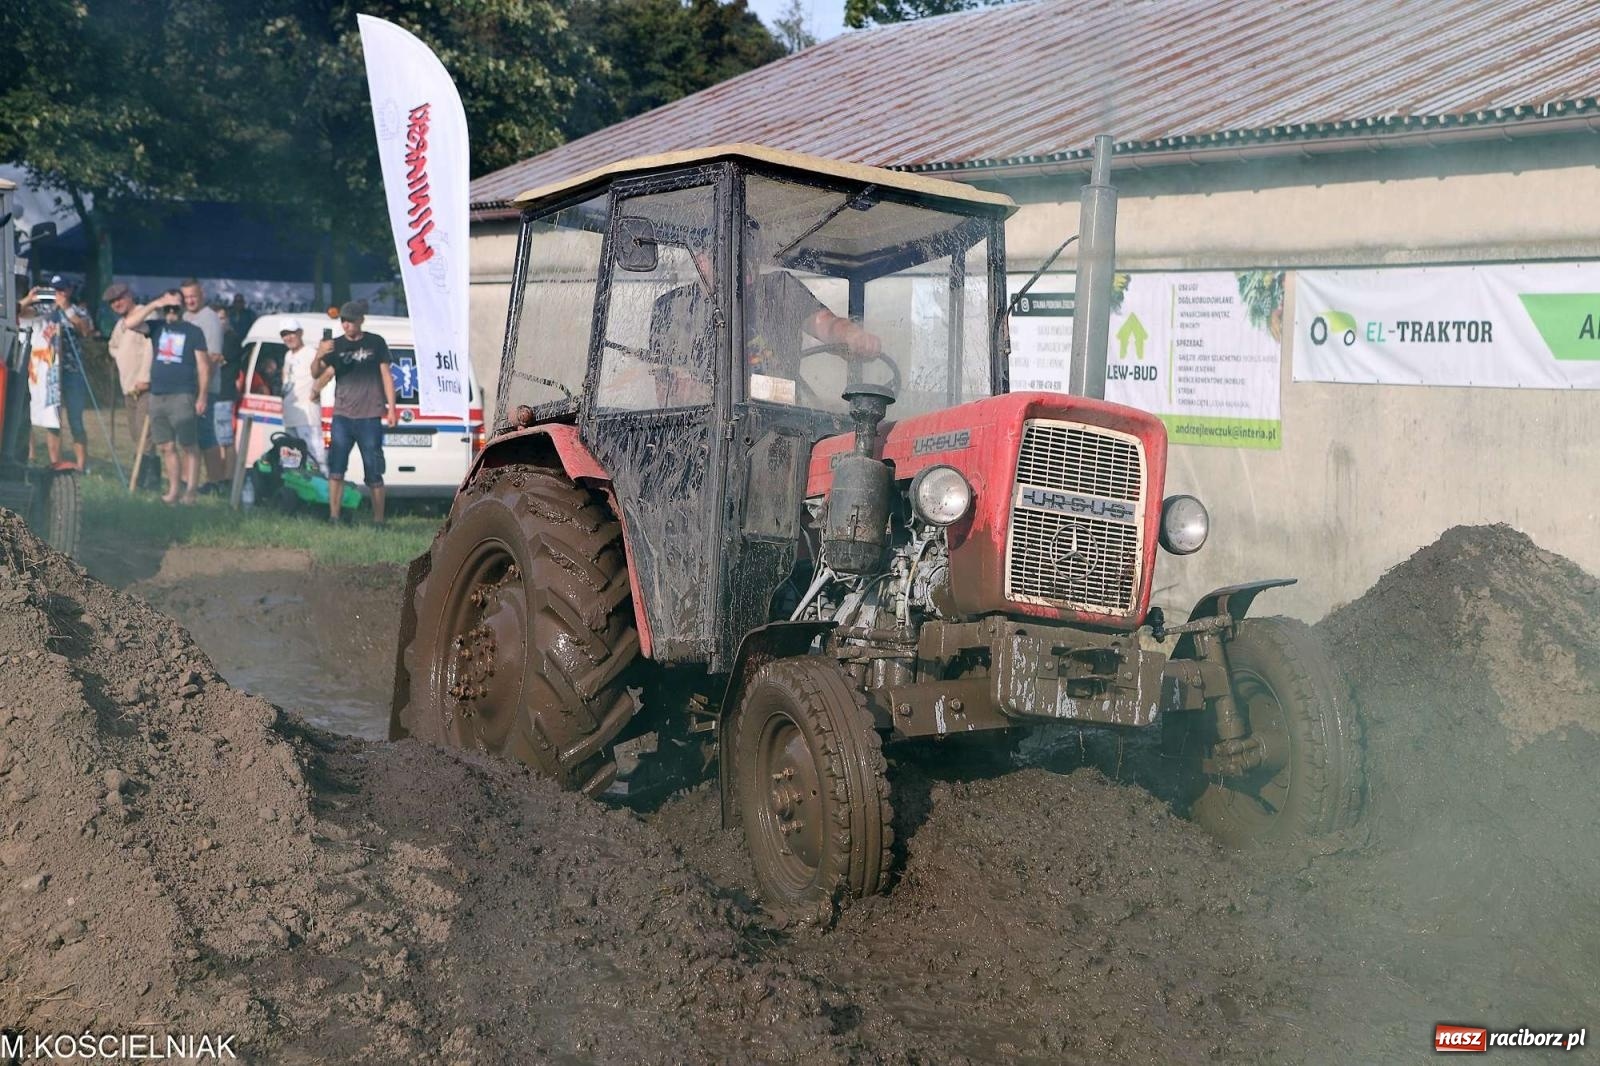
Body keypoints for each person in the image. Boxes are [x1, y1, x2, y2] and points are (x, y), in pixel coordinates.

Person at [312, 301, 397, 524]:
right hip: (342, 416)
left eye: (350, 320)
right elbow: (316, 374)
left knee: (374, 471)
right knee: (336, 468)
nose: (346, 325)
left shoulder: (375, 342)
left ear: (361, 320)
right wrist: (319, 354)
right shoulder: (335, 345)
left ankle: (379, 520)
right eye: (343, 321)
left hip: (370, 416)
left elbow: (386, 375)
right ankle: (334, 516)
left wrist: (392, 409)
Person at [21, 276, 95, 469]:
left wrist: (67, 308)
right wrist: (30, 299)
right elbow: (17, 313)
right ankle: (55, 462)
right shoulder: (44, 309)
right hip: (49, 372)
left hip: (72, 371)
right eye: (55, 289)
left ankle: (81, 465)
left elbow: (86, 330)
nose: (58, 293)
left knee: (75, 420)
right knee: (52, 419)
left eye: (62, 289)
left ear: (70, 290)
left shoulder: (79, 309)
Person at [104, 282, 176, 467]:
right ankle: (141, 472)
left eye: (120, 299)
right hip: (128, 386)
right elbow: (112, 346)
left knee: (146, 435)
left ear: (129, 296)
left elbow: (151, 349)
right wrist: (120, 356)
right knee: (136, 434)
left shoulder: (146, 314)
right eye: (112, 302)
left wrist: (145, 378)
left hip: (144, 387)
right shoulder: (121, 323)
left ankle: (147, 477)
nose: (117, 304)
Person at [145, 301, 211, 504]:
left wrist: (202, 396)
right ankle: (173, 491)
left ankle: (191, 491)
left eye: (176, 308)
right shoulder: (156, 328)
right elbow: (130, 323)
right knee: (166, 446)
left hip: (183, 394)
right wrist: (157, 303)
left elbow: (203, 366)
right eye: (168, 308)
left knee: (189, 444)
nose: (171, 312)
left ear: (182, 310)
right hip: (157, 394)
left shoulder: (193, 332)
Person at [179, 278, 231, 487]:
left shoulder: (209, 318)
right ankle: (186, 480)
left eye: (193, 296)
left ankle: (216, 481)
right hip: (186, 387)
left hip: (205, 388)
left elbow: (213, 358)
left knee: (206, 436)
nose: (190, 300)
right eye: (186, 297)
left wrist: (202, 391)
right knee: (188, 436)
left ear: (201, 295)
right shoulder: (184, 316)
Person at [277, 318, 329, 467]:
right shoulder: (288, 355)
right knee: (291, 460)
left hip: (308, 416)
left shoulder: (311, 352)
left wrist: (316, 390)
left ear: (300, 333)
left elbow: (328, 371)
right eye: (284, 334)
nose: (288, 337)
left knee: (315, 456)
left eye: (292, 333)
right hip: (290, 415)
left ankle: (323, 487)